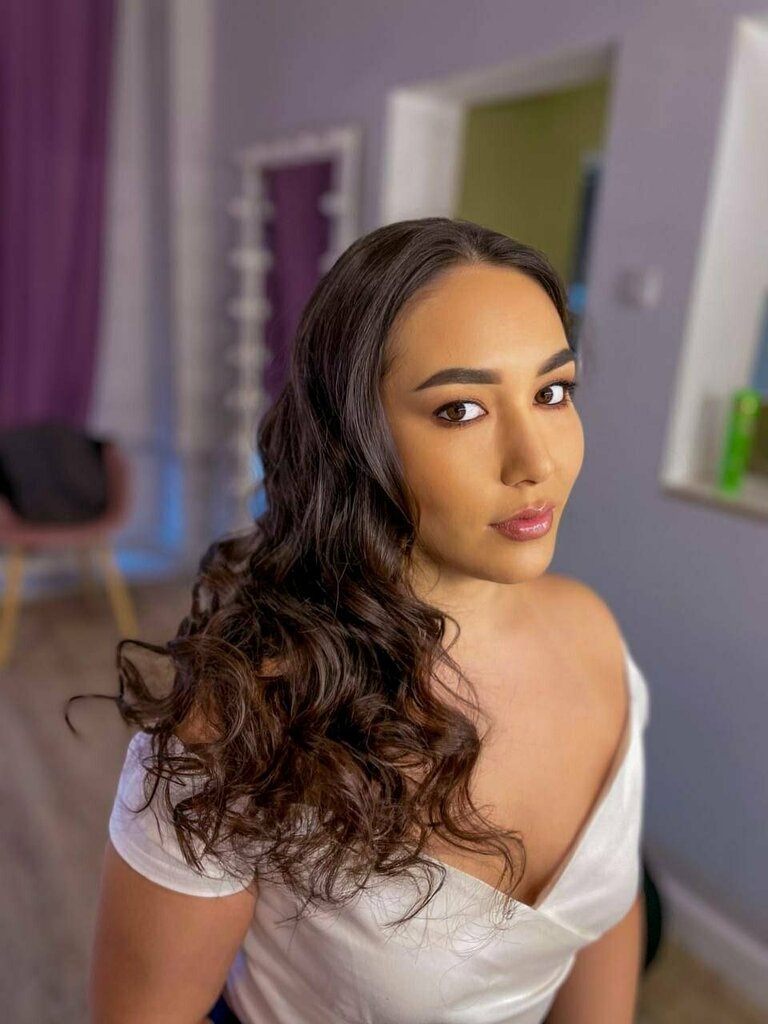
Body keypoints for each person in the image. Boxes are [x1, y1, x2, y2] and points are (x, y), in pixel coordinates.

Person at [88, 217, 651, 1024]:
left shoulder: (593, 632)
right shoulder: (241, 718)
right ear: (355, 437)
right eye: (461, 409)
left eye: (551, 392)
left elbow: (605, 918)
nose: (537, 461)